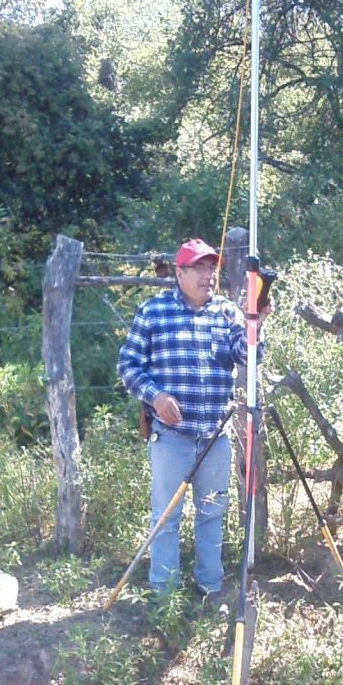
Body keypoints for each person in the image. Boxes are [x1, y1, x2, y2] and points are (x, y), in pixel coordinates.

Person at [118, 237, 267, 598]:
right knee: (166, 519)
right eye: (199, 268)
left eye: (211, 267)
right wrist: (157, 396)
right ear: (180, 272)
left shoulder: (228, 313)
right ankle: (165, 596)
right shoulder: (153, 312)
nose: (208, 275)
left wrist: (255, 327)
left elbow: (248, 358)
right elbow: (128, 365)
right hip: (172, 439)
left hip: (216, 436)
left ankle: (209, 588)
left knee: (212, 513)